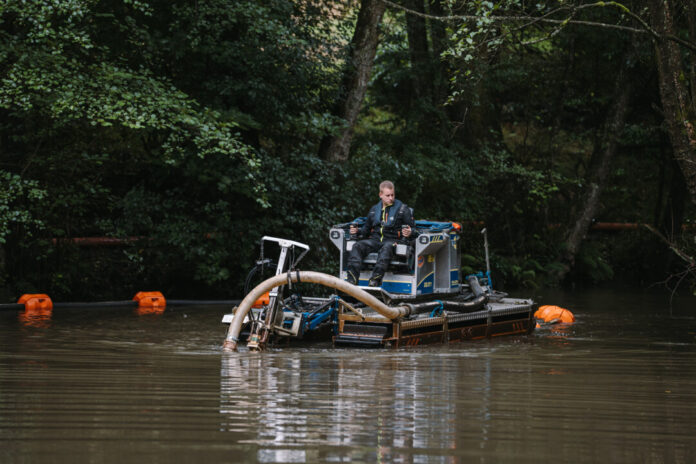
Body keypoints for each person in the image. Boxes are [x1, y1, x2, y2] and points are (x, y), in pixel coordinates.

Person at [346, 180, 416, 287]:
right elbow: (365, 231)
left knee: (387, 247)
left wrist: (410, 232)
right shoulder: (374, 210)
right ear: (380, 195)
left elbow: (415, 231)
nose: (391, 198)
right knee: (357, 246)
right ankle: (352, 281)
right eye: (388, 195)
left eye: (392, 195)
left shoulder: (403, 209)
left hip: (393, 242)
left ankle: (375, 281)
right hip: (375, 241)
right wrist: (357, 231)